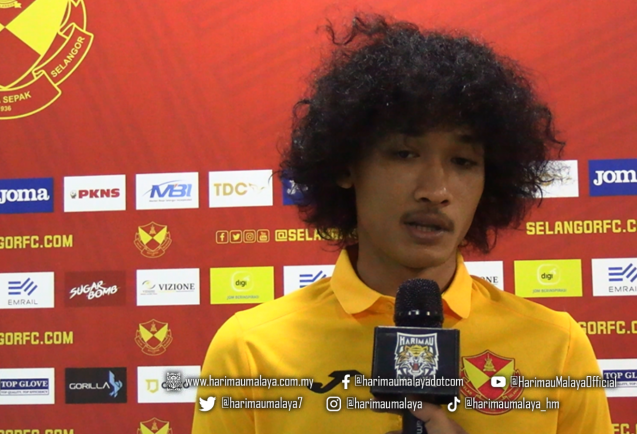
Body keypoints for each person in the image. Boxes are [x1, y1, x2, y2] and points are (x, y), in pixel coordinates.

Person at [192, 14, 612, 434]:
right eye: (405, 154)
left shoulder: (557, 346)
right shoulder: (250, 350)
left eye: (463, 161)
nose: (436, 190)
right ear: (346, 165)